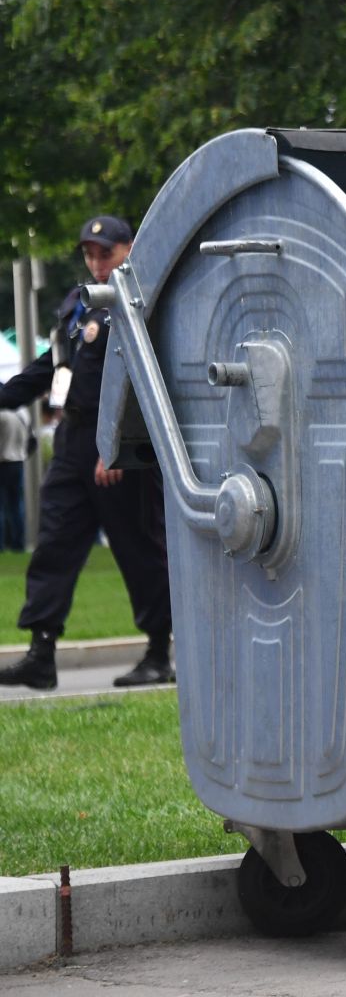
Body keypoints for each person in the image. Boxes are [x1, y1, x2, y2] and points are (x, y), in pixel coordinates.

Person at [0, 215, 172, 689]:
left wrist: (114, 446)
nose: (97, 263)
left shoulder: (141, 302)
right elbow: (49, 369)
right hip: (75, 443)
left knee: (140, 551)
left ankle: (159, 653)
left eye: (106, 253)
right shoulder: (81, 305)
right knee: (53, 544)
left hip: (120, 446)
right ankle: (41, 654)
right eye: (90, 254)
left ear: (129, 248)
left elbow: (144, 381)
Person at [0, 405, 28, 552]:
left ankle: (2, 544)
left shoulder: (2, 414)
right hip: (18, 462)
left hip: (3, 462)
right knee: (17, 506)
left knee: (2, 507)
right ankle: (19, 543)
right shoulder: (23, 412)